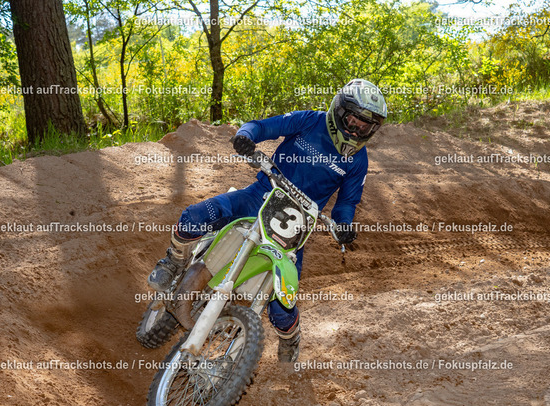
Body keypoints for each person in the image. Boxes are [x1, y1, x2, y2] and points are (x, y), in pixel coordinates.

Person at [148, 78, 387, 362]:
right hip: (259, 196)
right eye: (353, 121)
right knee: (196, 217)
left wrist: (344, 225)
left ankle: (290, 337)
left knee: (283, 304)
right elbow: (262, 126)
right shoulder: (309, 121)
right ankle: (173, 261)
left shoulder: (358, 160)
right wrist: (245, 136)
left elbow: (347, 202)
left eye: (365, 127)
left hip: (296, 226)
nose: (357, 130)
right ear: (339, 110)